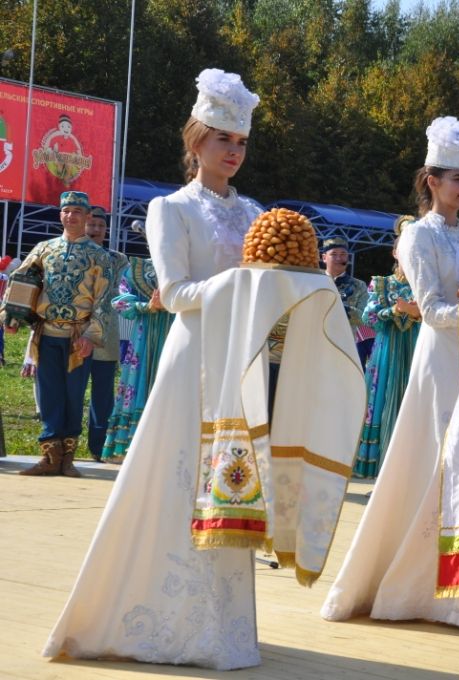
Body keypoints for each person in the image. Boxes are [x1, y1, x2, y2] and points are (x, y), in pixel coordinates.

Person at [43, 68, 267, 669]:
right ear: (196, 142)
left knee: (228, 487)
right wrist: (246, 285)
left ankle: (220, 624)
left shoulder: (257, 213)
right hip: (193, 359)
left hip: (239, 363)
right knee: (174, 485)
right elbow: (174, 291)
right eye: (223, 139)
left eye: (241, 141)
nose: (234, 151)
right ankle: (153, 616)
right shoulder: (170, 209)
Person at [321, 115, 459, 630]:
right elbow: (433, 308)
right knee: (435, 465)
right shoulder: (417, 238)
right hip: (439, 359)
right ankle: (427, 591)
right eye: (458, 179)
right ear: (432, 181)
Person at [1, 191, 111, 477]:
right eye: (66, 210)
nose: (70, 215)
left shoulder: (99, 256)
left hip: (78, 337)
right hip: (46, 333)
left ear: (87, 216)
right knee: (49, 394)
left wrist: (92, 335)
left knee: (73, 395)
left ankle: (67, 459)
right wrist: (11, 317)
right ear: (60, 214)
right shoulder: (43, 248)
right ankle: (49, 456)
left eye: (77, 211)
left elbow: (104, 300)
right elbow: (20, 281)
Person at [354, 215, 422, 478]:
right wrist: (394, 309)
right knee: (383, 402)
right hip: (388, 353)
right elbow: (367, 316)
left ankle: (410, 470)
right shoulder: (382, 283)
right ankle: (382, 467)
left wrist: (420, 314)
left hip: (416, 350)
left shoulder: (425, 286)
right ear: (395, 252)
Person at [100, 257, 174, 461]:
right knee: (140, 381)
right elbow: (121, 300)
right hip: (144, 334)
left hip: (180, 332)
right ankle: (129, 446)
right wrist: (147, 305)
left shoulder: (191, 263)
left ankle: (170, 446)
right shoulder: (137, 268)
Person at [84, 206, 129, 461]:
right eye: (92, 225)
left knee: (102, 395)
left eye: (100, 226)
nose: (96, 230)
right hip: (75, 333)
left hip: (107, 337)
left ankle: (99, 448)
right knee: (72, 391)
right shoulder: (75, 255)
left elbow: (124, 292)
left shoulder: (118, 259)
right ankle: (62, 445)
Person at [322, 236, 370, 363]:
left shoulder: (359, 285)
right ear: (324, 258)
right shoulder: (314, 281)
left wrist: (337, 306)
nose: (339, 258)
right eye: (334, 254)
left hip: (345, 346)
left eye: (343, 254)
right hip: (315, 342)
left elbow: (364, 317)